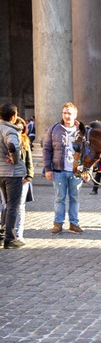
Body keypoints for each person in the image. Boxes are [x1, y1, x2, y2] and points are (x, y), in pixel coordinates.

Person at [42, 102, 84, 234]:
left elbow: (88, 152)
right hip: (58, 170)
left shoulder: (82, 130)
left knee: (74, 198)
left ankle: (74, 223)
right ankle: (58, 223)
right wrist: (48, 169)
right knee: (59, 198)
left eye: (69, 113)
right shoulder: (54, 129)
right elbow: (47, 149)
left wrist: (88, 170)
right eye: (64, 113)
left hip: (76, 171)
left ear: (75, 114)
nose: (67, 115)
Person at [0, 102, 26, 248]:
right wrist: (15, 159)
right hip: (11, 173)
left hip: (1, 172)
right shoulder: (10, 130)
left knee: (6, 204)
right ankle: (10, 238)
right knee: (13, 206)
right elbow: (13, 146)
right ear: (14, 116)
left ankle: (2, 234)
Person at [14, 116, 34, 242]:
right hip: (8, 176)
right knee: (7, 206)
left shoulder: (25, 141)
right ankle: (6, 231)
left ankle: (18, 234)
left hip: (22, 178)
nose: (20, 131)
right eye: (17, 128)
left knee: (20, 206)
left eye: (22, 129)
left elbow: (29, 160)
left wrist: (29, 175)